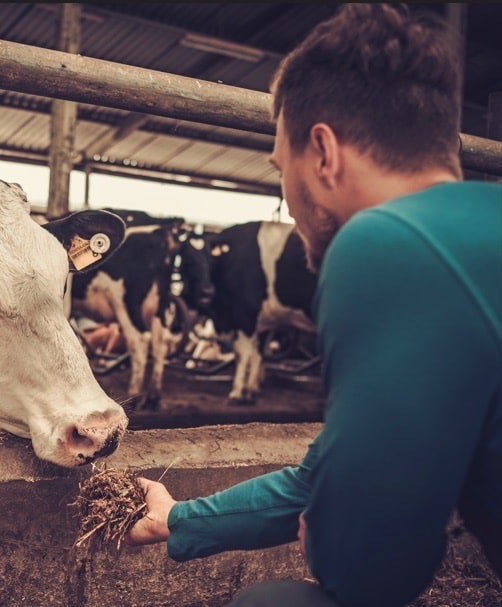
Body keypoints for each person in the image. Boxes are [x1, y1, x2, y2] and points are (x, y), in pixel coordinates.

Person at [126, 4, 502, 607]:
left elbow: (369, 573)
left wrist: (333, 533)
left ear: (323, 152)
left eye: (282, 166)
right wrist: (179, 518)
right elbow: (321, 477)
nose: (288, 197)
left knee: (270, 603)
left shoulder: (387, 242)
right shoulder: (475, 233)